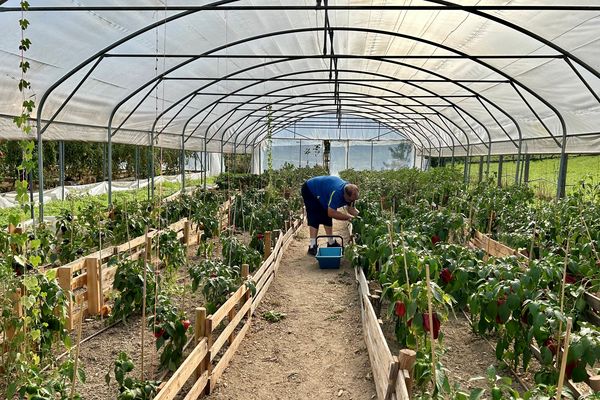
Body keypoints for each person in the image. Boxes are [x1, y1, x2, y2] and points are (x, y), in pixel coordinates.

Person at [301, 175, 360, 256]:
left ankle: (331, 243)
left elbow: (351, 209)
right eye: (351, 200)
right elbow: (331, 213)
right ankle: (312, 246)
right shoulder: (336, 193)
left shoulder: (350, 192)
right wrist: (349, 218)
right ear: (345, 195)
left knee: (326, 216)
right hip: (310, 189)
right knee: (314, 217)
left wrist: (360, 216)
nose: (352, 201)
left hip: (323, 191)